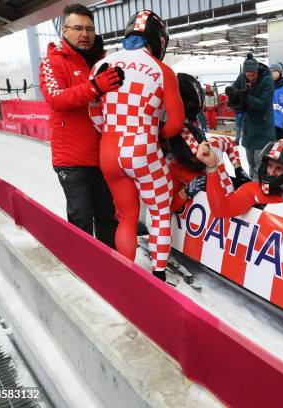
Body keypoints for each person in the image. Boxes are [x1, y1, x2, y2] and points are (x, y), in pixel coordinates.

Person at [88, 10, 185, 282]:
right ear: (159, 40)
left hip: (109, 150)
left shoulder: (100, 65)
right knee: (158, 210)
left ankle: (125, 275)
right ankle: (159, 274)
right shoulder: (163, 70)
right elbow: (176, 124)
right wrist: (154, 133)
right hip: (142, 148)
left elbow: (93, 112)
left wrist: (111, 132)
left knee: (127, 217)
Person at [39, 3, 120, 249]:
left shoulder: (102, 61)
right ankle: (83, 275)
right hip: (71, 161)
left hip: (103, 157)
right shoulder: (52, 62)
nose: (84, 34)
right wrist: (95, 87)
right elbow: (56, 98)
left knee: (107, 217)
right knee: (81, 220)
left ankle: (112, 268)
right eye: (78, 28)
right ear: (65, 31)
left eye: (89, 29)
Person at [196, 138, 283, 218]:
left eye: (279, 168)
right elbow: (221, 210)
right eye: (269, 165)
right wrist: (212, 168)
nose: (271, 172)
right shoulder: (253, 190)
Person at [226, 53, 275, 181]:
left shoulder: (267, 80)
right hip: (249, 129)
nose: (250, 78)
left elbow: (263, 104)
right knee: (251, 163)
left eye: (253, 75)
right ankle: (251, 187)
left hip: (264, 129)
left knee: (260, 164)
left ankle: (256, 191)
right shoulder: (243, 77)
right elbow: (235, 88)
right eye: (248, 75)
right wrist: (232, 93)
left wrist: (245, 96)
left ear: (257, 71)